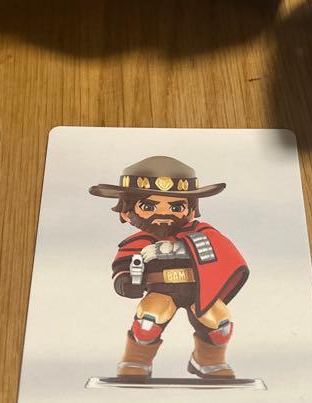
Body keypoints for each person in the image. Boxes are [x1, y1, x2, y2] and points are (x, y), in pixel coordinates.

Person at [89, 156, 249, 380]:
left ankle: (208, 360)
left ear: (191, 211)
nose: (163, 212)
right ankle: (136, 360)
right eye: (148, 206)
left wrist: (179, 249)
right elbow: (124, 264)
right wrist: (125, 281)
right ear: (126, 212)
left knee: (220, 325)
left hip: (200, 290)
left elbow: (222, 252)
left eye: (176, 206)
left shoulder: (203, 234)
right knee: (148, 324)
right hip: (161, 290)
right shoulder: (139, 242)